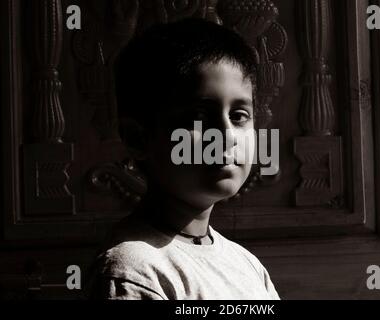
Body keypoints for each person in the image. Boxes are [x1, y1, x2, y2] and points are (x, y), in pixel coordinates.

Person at [88, 18, 280, 300]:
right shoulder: (135, 272)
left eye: (239, 116)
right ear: (137, 138)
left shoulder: (247, 265)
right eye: (200, 117)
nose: (226, 135)